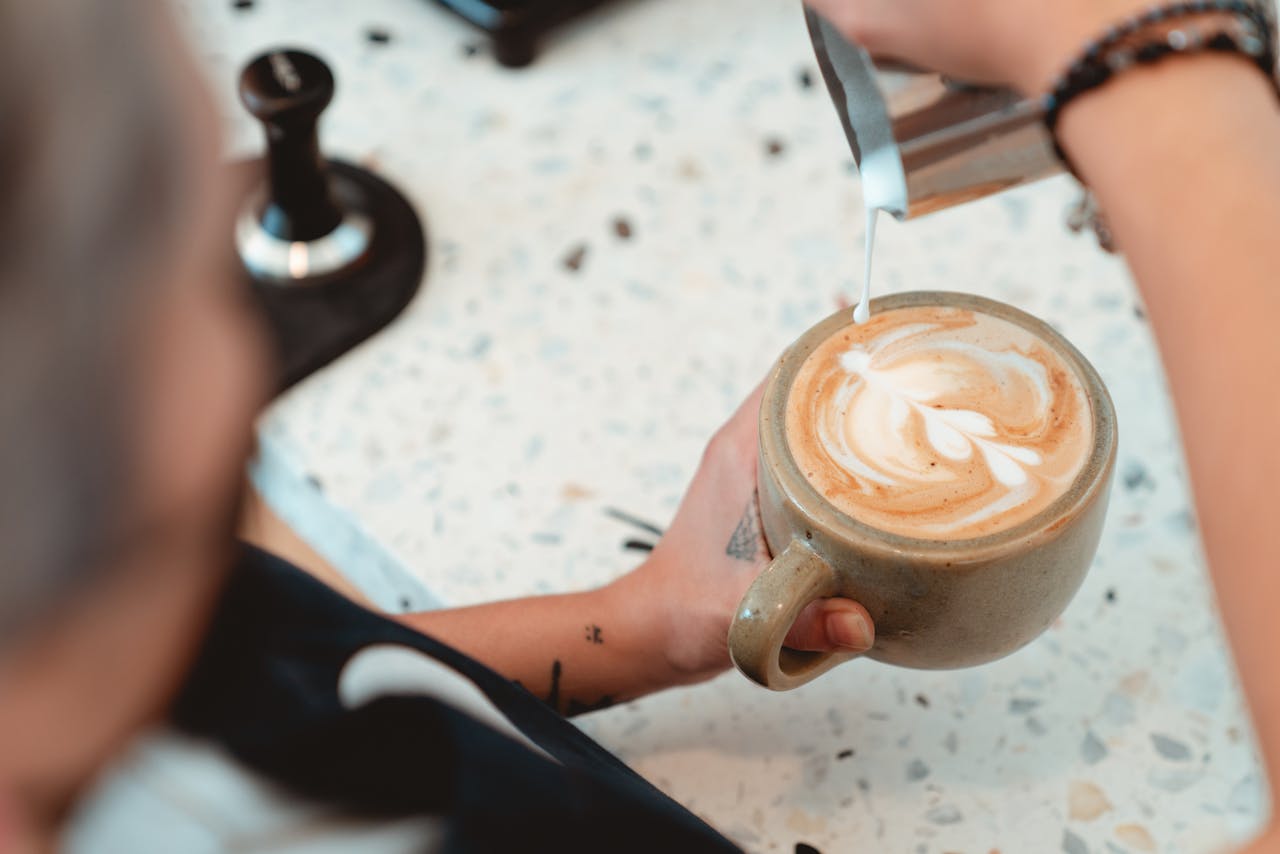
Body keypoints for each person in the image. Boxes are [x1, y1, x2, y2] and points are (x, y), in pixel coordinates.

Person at [0, 0, 1275, 850]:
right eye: (182, 226)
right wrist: (1149, 79)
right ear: (123, 411)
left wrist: (636, 627)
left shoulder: (90, 646)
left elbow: (294, 678)